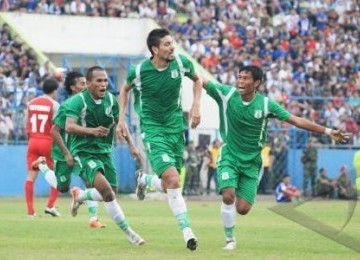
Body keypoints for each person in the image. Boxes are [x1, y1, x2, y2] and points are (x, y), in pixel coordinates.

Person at [202, 65, 351, 250]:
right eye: (239, 77)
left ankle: (238, 202)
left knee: (242, 209)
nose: (240, 81)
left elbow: (295, 120)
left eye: (245, 78)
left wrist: (328, 131)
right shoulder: (226, 94)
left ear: (256, 83)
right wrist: (175, 63)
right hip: (229, 155)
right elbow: (200, 78)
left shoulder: (265, 104)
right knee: (227, 195)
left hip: (252, 162)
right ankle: (230, 240)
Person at [116, 28, 202, 251]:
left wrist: (195, 104)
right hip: (153, 129)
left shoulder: (181, 63)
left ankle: (144, 180)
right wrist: (121, 118)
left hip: (176, 128)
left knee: (169, 183)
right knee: (173, 180)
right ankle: (187, 232)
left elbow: (198, 80)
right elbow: (124, 91)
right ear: (155, 49)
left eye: (172, 43)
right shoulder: (139, 71)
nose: (172, 47)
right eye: (166, 44)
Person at [65, 66, 145, 245]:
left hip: (104, 151)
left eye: (105, 81)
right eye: (99, 81)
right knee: (107, 192)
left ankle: (80, 196)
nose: (103, 84)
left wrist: (132, 145)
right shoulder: (78, 101)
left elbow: (120, 124)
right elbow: (69, 126)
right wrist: (92, 131)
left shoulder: (111, 100)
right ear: (89, 84)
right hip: (83, 152)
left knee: (111, 193)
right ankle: (130, 234)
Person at [32, 71, 106, 228]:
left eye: (87, 83)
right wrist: (66, 153)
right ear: (73, 88)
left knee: (90, 179)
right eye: (82, 84)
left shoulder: (88, 104)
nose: (86, 86)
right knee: (62, 187)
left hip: (80, 150)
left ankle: (93, 219)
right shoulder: (67, 106)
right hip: (63, 151)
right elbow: (54, 131)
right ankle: (42, 165)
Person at [25, 78, 60, 217]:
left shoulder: (31, 103)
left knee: (30, 176)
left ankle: (30, 212)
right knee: (56, 174)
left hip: (33, 141)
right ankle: (50, 206)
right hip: (48, 142)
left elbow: (25, 124)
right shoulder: (54, 105)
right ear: (54, 90)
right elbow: (57, 127)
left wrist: (32, 137)